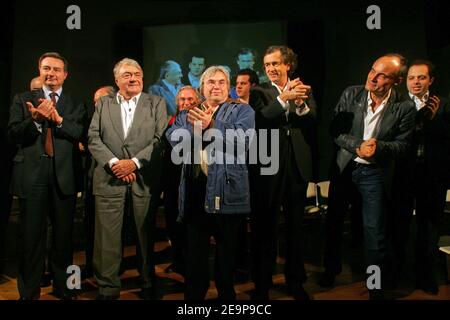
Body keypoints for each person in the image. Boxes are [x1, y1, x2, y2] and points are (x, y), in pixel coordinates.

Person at [326, 53, 416, 299]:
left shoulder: (405, 107)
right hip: (345, 168)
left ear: (396, 81)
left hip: (373, 174)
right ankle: (330, 272)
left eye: (382, 75)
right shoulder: (351, 93)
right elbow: (335, 130)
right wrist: (358, 146)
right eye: (372, 70)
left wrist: (380, 148)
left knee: (374, 232)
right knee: (333, 222)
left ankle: (375, 286)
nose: (373, 78)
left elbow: (403, 146)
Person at [166, 66, 255, 300]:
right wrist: (197, 127)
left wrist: (212, 125)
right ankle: (195, 298)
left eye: (222, 82)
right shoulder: (188, 114)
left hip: (228, 189)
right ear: (201, 88)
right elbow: (175, 141)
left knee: (226, 255)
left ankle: (227, 297)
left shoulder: (242, 111)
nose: (216, 86)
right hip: (196, 190)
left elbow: (243, 141)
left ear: (229, 87)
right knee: (196, 255)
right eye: (211, 82)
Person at [7, 52, 86, 300]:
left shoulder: (75, 102)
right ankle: (28, 293)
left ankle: (64, 289)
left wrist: (58, 119)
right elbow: (12, 135)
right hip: (32, 177)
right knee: (30, 239)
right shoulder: (23, 99)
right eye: (46, 68)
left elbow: (80, 134)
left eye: (56, 69)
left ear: (65, 74)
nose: (50, 73)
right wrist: (35, 121)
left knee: (63, 238)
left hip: (65, 176)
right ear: (39, 70)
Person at [88, 58, 167, 300]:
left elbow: (160, 139)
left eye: (137, 74)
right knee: (107, 236)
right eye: (127, 75)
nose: (133, 78)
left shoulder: (156, 102)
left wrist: (133, 163)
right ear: (117, 80)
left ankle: (146, 281)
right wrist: (115, 165)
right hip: (109, 178)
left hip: (144, 178)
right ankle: (108, 287)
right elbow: (93, 137)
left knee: (145, 235)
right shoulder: (104, 103)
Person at [250, 45, 317, 300]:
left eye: (275, 64)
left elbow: (313, 122)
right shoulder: (259, 92)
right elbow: (259, 121)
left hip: (297, 165)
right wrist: (283, 99)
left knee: (295, 229)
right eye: (267, 65)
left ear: (288, 65)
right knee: (265, 228)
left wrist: (300, 103)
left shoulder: (304, 89)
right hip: (268, 166)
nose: (270, 69)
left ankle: (295, 282)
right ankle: (262, 285)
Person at [399, 60, 450, 294]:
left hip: (432, 177)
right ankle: (401, 273)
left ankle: (426, 275)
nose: (416, 82)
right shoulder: (397, 104)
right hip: (403, 176)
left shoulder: (445, 105)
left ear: (431, 80)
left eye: (421, 78)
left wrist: (434, 120)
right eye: (412, 78)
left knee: (429, 227)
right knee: (399, 225)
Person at [161, 86, 202, 276]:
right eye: (182, 100)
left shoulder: (203, 121)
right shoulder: (170, 122)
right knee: (172, 222)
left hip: (193, 180)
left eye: (190, 100)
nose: (186, 103)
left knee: (190, 225)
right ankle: (177, 261)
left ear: (198, 101)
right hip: (171, 182)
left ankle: (191, 265)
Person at [82, 85, 116, 279]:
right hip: (91, 182)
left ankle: (111, 268)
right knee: (90, 228)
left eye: (99, 100)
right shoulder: (90, 120)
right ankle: (91, 265)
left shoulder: (120, 122)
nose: (96, 104)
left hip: (111, 183)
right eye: (94, 101)